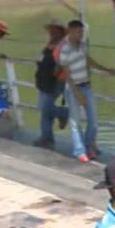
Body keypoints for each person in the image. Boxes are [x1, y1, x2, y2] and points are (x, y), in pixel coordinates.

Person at [56, 19, 115, 163]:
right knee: (75, 122)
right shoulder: (65, 49)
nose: (81, 34)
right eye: (78, 32)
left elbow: (88, 60)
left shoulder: (83, 45)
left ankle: (89, 146)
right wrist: (76, 92)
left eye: (82, 32)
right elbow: (66, 73)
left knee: (93, 120)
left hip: (86, 85)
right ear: (70, 31)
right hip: (73, 88)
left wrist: (105, 69)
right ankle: (80, 151)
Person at [33, 20, 69, 149]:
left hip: (56, 80)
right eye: (50, 30)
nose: (52, 32)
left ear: (61, 31)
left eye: (55, 30)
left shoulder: (63, 45)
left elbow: (62, 63)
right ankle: (47, 138)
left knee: (45, 108)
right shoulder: (49, 44)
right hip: (43, 79)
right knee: (45, 111)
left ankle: (63, 114)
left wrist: (55, 74)